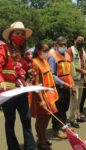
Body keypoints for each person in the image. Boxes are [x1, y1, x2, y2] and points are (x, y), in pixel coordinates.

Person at [0, 21, 37, 150]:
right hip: (8, 93)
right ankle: (13, 147)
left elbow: (28, 71)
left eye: (22, 34)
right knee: (10, 121)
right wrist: (1, 81)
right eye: (17, 33)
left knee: (26, 119)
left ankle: (31, 147)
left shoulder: (24, 53)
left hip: (21, 92)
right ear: (11, 35)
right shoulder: (4, 48)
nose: (20, 36)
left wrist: (30, 79)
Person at [30, 41, 59, 150]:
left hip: (49, 94)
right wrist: (41, 100)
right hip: (40, 95)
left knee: (48, 116)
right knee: (41, 118)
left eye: (48, 50)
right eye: (44, 50)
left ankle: (42, 137)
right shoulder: (34, 62)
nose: (47, 52)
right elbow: (37, 83)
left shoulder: (45, 60)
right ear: (38, 51)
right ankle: (41, 140)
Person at [48, 36, 75, 138]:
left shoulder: (67, 55)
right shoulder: (52, 56)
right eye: (61, 45)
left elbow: (69, 73)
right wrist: (62, 83)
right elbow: (52, 75)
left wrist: (72, 85)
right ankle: (56, 129)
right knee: (58, 109)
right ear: (56, 45)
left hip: (67, 86)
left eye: (65, 44)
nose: (63, 46)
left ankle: (63, 126)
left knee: (64, 108)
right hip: (58, 87)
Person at [67, 34, 86, 128]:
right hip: (73, 79)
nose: (80, 42)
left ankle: (77, 116)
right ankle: (72, 119)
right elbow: (70, 65)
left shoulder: (82, 51)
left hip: (81, 78)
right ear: (74, 40)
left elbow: (85, 62)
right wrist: (81, 70)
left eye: (82, 40)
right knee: (74, 100)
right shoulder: (70, 50)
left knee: (79, 100)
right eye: (79, 40)